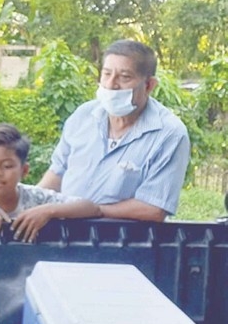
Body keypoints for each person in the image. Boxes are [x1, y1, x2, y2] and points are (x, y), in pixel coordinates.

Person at [37, 39, 190, 222]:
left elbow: (153, 209)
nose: (111, 84)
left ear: (149, 85)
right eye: (106, 74)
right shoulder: (84, 116)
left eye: (124, 77)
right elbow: (57, 172)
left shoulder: (169, 134)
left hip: (123, 243)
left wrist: (91, 210)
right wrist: (33, 204)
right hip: (64, 238)